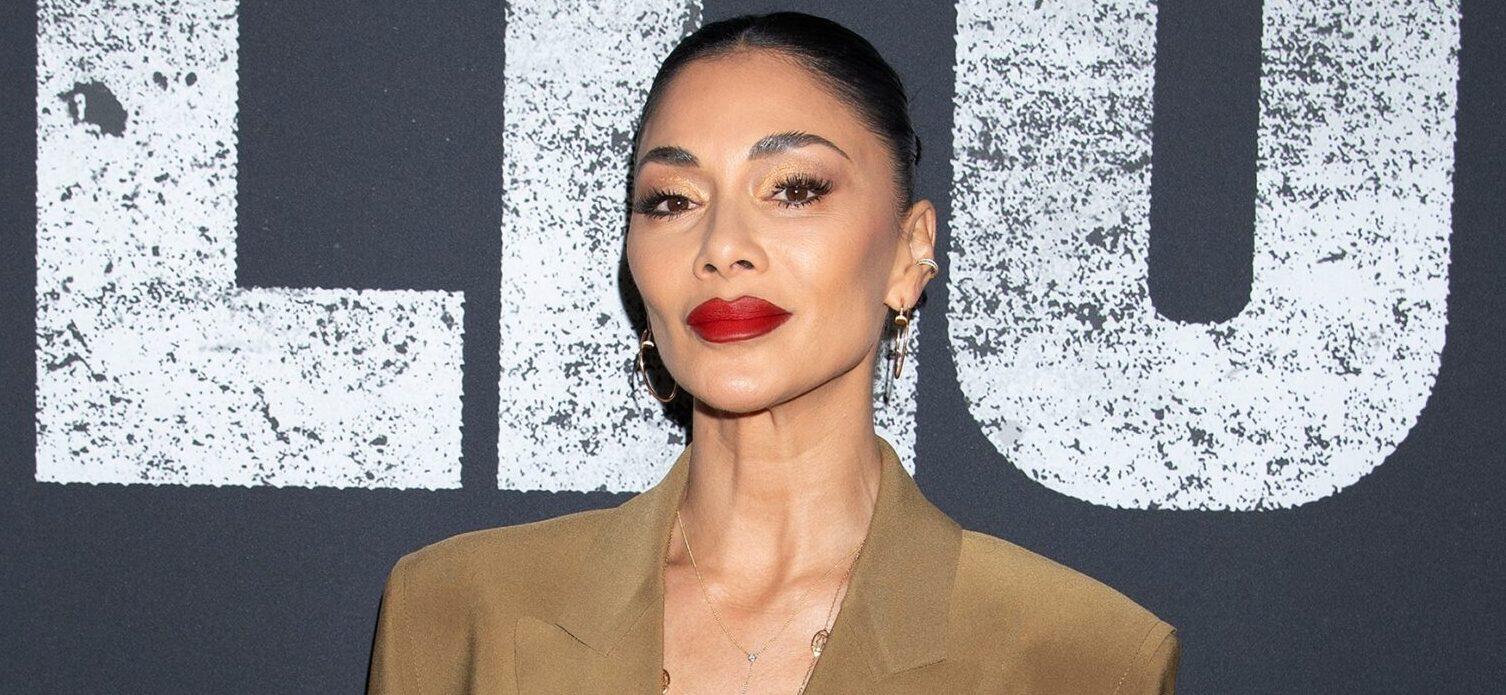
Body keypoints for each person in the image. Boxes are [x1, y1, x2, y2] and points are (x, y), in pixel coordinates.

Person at [367, 11, 1179, 694]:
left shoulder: (1084, 657)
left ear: (909, 252)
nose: (723, 246)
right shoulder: (455, 612)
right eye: (672, 200)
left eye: (794, 190)